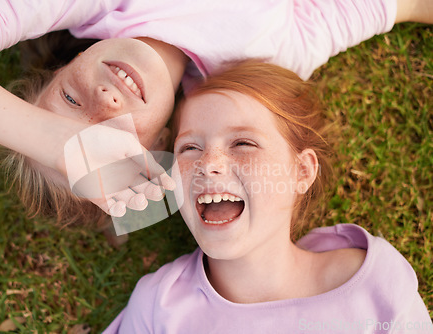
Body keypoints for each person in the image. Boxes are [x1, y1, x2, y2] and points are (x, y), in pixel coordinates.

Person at [0, 0, 431, 224]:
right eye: (110, 137)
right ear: (157, 144)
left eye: (68, 101)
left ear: (67, 63)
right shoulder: (270, 59)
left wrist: (57, 144)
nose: (104, 102)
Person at [102, 59, 433, 333]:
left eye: (243, 143)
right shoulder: (159, 306)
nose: (209, 164)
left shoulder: (375, 284)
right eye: (189, 148)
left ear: (301, 172)